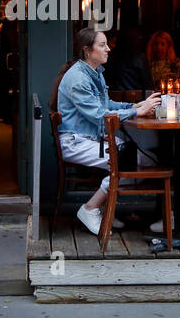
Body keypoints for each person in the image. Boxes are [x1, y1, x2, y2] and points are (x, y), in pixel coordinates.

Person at [55, 28, 160, 236]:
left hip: (89, 140)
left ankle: (103, 208)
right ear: (87, 50)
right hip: (76, 142)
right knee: (130, 163)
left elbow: (106, 104)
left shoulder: (93, 73)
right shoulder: (78, 79)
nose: (109, 49)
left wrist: (135, 105)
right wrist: (137, 111)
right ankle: (91, 208)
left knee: (147, 160)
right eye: (102, 45)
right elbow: (99, 115)